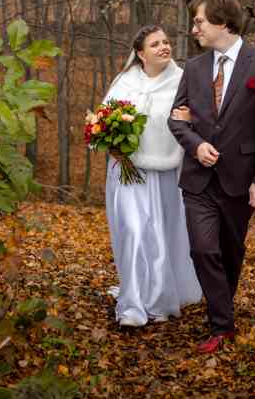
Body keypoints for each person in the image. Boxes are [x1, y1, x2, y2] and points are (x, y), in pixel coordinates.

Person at [168, 0, 255, 354]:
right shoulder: (194, 67)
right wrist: (196, 144)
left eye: (200, 21)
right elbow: (176, 118)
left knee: (230, 252)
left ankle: (221, 311)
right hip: (198, 179)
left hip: (242, 179)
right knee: (203, 250)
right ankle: (222, 324)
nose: (194, 29)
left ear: (222, 22)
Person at [102, 25, 203, 327]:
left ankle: (158, 299)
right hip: (127, 170)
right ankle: (132, 304)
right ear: (141, 53)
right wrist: (112, 142)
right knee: (132, 231)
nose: (163, 47)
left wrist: (191, 119)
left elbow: (198, 119)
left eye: (166, 42)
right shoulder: (124, 82)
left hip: (166, 172)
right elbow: (104, 118)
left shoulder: (183, 81)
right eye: (155, 43)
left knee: (161, 234)